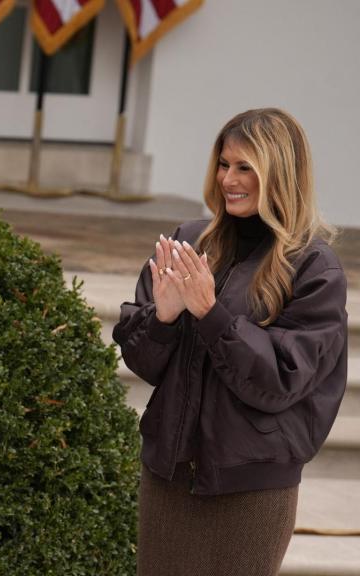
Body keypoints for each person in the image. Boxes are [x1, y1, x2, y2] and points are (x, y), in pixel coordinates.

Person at [113, 108, 347, 576]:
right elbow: (143, 361)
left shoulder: (314, 267)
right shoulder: (189, 241)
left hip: (250, 489)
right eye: (224, 164)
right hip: (168, 476)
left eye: (245, 168)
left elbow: (280, 381)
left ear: (280, 173)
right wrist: (162, 317)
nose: (228, 179)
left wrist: (209, 313)